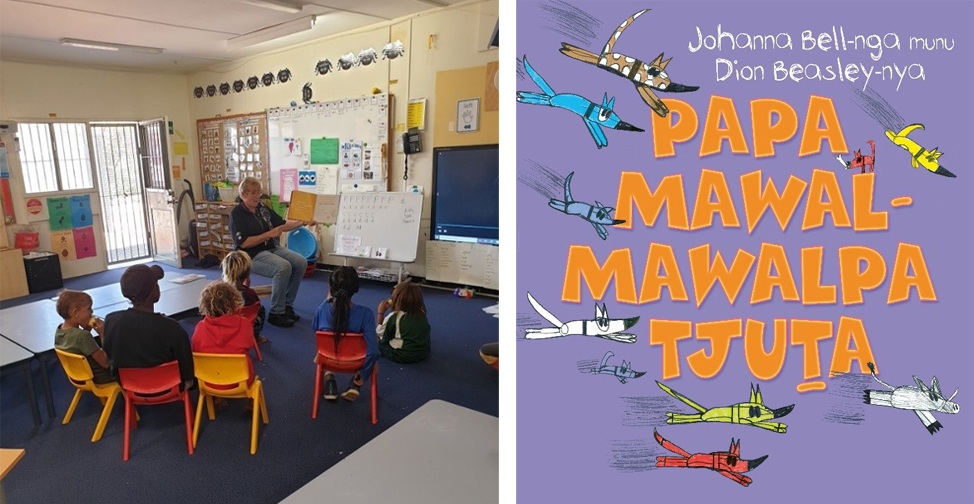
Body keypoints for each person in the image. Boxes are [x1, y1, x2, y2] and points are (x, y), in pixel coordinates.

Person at [229, 176, 313, 328]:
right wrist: (269, 234)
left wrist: (303, 222)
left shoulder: (262, 208)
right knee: (283, 267)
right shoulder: (237, 214)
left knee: (301, 262)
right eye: (253, 193)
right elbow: (244, 243)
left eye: (258, 192)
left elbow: (282, 224)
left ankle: (287, 305)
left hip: (271, 248)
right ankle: (276, 312)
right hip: (250, 255)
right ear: (243, 194)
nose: (257, 196)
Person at [103, 265, 194, 390]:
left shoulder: (111, 321)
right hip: (169, 387)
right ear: (154, 292)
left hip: (129, 385)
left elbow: (110, 355)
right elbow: (187, 371)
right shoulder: (172, 327)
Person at [311, 266, 378, 402]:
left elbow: (315, 330)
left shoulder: (321, 310)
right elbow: (374, 352)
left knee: (329, 343)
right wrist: (364, 372)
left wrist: (326, 301)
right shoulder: (366, 314)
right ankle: (356, 382)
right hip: (355, 362)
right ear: (356, 288)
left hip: (327, 360)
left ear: (330, 288)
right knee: (372, 350)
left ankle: (329, 379)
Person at [192, 281, 256, 410]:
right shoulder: (244, 324)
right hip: (241, 381)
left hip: (208, 381)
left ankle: (217, 397)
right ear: (234, 302)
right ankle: (251, 401)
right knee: (247, 363)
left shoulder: (200, 327)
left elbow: (195, 348)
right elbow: (249, 344)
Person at [54, 290, 114, 384]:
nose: (92, 311)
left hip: (80, 378)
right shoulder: (82, 336)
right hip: (103, 378)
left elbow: (76, 344)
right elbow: (106, 363)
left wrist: (87, 330)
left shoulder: (60, 331)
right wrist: (102, 334)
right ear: (75, 313)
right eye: (89, 308)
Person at [376, 281, 431, 363]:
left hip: (403, 355)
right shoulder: (421, 312)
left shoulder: (394, 317)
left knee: (375, 341)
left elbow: (379, 333)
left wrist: (380, 313)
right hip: (424, 352)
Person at [222, 251, 266, 344]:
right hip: (244, 326)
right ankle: (256, 337)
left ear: (225, 271)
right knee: (261, 309)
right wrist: (247, 287)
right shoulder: (250, 293)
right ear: (247, 274)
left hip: (224, 330)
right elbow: (255, 309)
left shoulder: (219, 293)